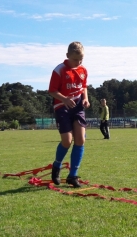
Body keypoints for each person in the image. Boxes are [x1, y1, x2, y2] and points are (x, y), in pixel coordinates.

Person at [48, 41, 90, 188]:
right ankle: (56, 166)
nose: (78, 62)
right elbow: (52, 90)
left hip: (77, 107)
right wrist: (65, 99)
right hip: (62, 107)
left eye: (81, 60)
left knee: (80, 140)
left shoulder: (83, 70)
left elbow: (83, 86)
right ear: (67, 56)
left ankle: (73, 176)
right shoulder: (59, 70)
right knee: (67, 141)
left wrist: (85, 98)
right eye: (75, 59)